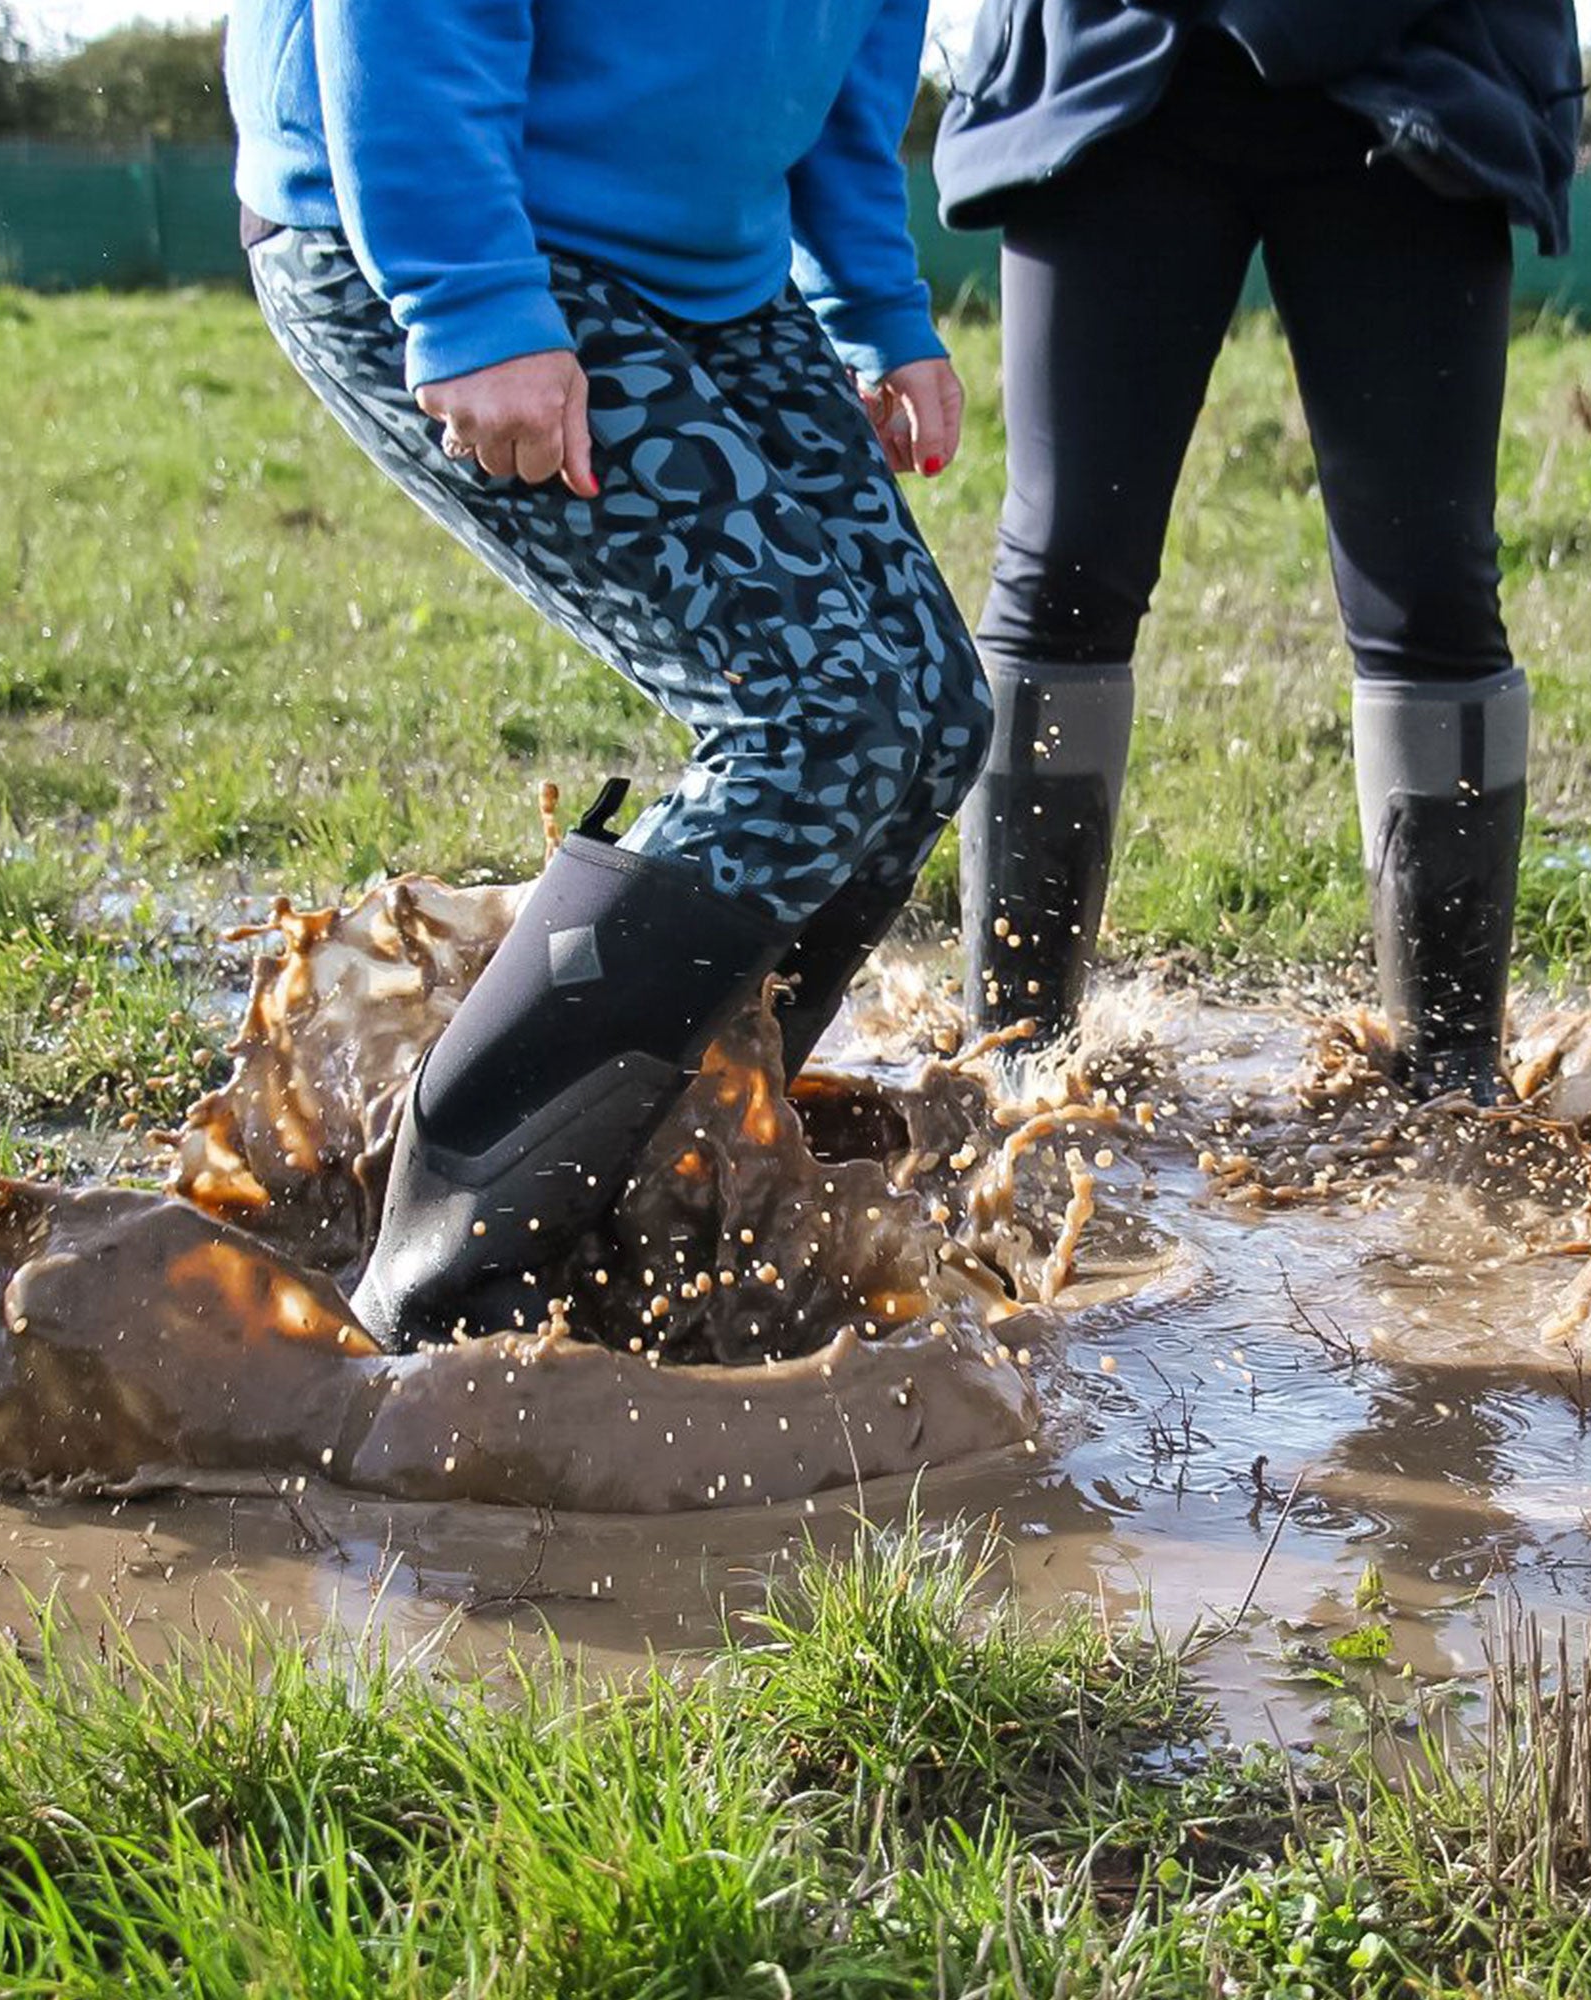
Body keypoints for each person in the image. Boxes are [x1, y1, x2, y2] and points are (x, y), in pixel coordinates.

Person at [224, 0, 991, 1346]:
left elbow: (845, 81)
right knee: (815, 719)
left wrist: (879, 308)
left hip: (710, 262)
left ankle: (672, 1182)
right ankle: (441, 1289)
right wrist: (468, 296)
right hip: (458, 221)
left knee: (929, 714)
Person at [933, 0, 1582, 1101]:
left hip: (1413, 75)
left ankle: (1455, 1076)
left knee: (1430, 587)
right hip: (1113, 72)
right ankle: (1016, 1061)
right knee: (1062, 569)